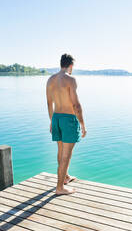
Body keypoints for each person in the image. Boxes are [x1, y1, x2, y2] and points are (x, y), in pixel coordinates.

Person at [46, 54, 87, 195]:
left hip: (56, 117)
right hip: (68, 119)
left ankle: (65, 177)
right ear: (71, 66)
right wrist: (82, 124)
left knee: (60, 150)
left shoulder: (50, 80)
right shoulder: (70, 80)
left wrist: (52, 120)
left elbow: (49, 103)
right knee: (66, 155)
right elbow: (76, 105)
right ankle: (60, 188)